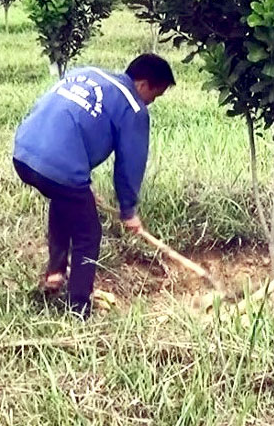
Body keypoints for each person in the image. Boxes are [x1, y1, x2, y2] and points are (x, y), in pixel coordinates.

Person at [12, 53, 175, 317]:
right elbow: (130, 164)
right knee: (88, 233)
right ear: (143, 85)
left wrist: (79, 180)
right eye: (154, 96)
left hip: (23, 154)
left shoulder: (85, 73)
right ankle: (79, 307)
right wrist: (129, 211)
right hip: (61, 167)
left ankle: (55, 273)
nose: (150, 103)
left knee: (64, 198)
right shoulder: (133, 108)